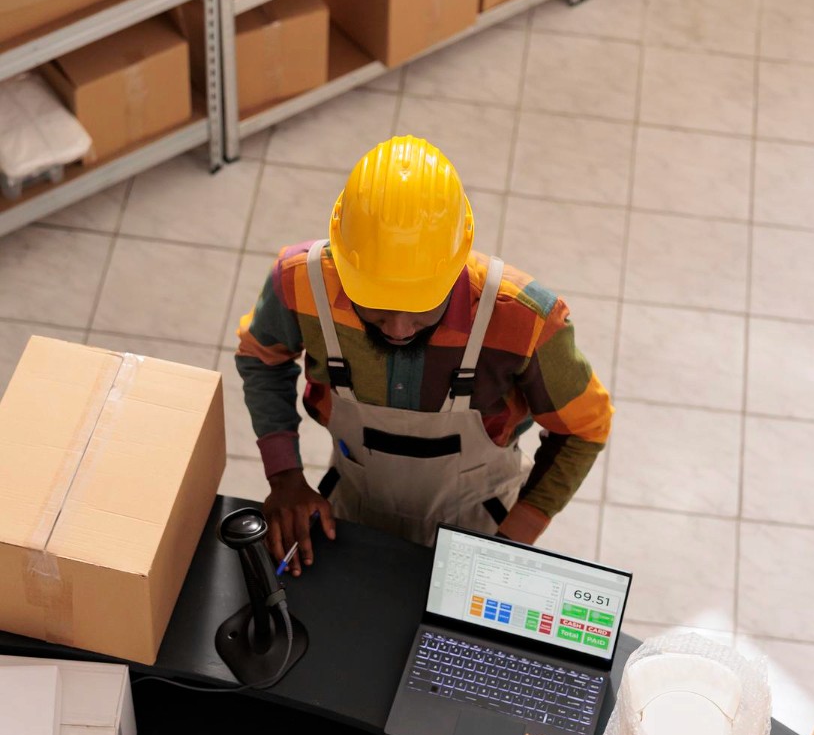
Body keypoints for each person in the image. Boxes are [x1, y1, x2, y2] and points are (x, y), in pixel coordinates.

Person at [236, 134, 613, 568]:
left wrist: (514, 539)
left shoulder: (524, 319)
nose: (398, 328)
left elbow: (585, 427)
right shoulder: (301, 283)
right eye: (374, 306)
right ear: (342, 261)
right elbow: (260, 358)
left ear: (457, 264)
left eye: (421, 308)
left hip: (481, 521)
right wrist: (284, 476)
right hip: (355, 505)